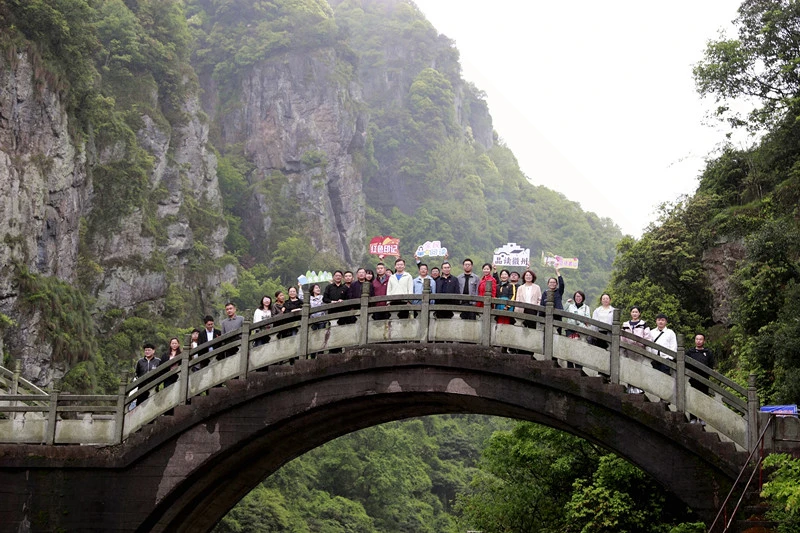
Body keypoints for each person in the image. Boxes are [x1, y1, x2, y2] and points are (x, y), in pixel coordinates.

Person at [621, 306, 651, 393]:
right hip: (628, 350)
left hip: (639, 350)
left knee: (638, 368)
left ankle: (638, 388)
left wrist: (643, 346)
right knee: (629, 368)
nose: (634, 313)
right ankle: (630, 387)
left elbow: (648, 337)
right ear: (630, 313)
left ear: (639, 313)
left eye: (636, 312)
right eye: (633, 312)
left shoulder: (643, 324)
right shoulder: (625, 324)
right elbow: (622, 337)